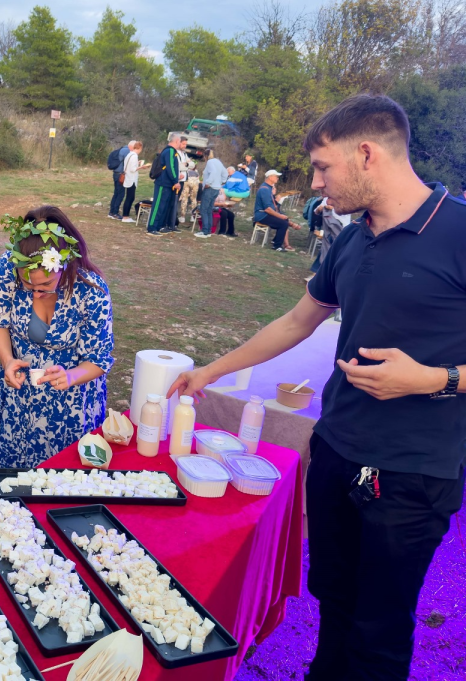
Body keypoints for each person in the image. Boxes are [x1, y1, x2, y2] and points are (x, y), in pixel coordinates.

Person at [169, 93, 466, 681]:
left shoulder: (458, 229)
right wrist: (211, 370)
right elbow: (295, 321)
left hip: (412, 473)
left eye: (323, 167)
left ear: (366, 154)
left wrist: (436, 378)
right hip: (335, 452)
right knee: (333, 601)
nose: (315, 182)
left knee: (378, 631)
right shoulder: (351, 240)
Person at [0, 206, 114, 467]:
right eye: (28, 285)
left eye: (45, 286)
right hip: (19, 399)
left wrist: (71, 376)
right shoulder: (10, 265)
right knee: (12, 483)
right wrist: (7, 360)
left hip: (71, 407)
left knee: (64, 483)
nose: (35, 293)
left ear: (64, 266)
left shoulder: (92, 291)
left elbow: (99, 359)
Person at [253, 169, 300, 251]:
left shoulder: (268, 188)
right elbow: (268, 209)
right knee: (283, 223)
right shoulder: (265, 189)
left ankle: (276, 241)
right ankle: (277, 246)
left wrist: (276, 200)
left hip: (265, 214)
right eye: (276, 176)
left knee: (284, 220)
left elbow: (272, 205)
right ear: (270, 177)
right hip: (262, 215)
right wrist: (280, 216)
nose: (277, 178)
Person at [146, 134, 181, 235]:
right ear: (177, 141)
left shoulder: (172, 151)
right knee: (158, 205)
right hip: (162, 182)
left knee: (164, 206)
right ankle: (152, 227)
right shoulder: (169, 151)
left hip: (168, 184)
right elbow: (170, 167)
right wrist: (176, 181)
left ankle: (159, 226)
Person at [196, 149, 228, 238]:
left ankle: (205, 231)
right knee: (209, 210)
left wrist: (208, 183)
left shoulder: (210, 162)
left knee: (203, 210)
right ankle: (209, 230)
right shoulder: (218, 162)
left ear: (205, 156)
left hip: (210, 188)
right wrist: (222, 182)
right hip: (216, 189)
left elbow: (213, 172)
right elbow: (225, 172)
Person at [118, 141, 145, 222]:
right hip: (131, 179)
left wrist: (137, 163)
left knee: (130, 197)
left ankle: (126, 215)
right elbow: (132, 169)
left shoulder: (130, 154)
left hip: (128, 178)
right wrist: (141, 167)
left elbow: (129, 165)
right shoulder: (134, 156)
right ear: (139, 148)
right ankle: (125, 216)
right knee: (130, 198)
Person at [107, 140, 133, 220]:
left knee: (116, 193)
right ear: (131, 146)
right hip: (120, 175)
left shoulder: (121, 149)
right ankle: (115, 213)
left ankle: (111, 212)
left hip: (115, 173)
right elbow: (128, 164)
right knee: (121, 194)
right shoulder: (127, 151)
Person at [172, 135, 193, 229]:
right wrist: (185, 166)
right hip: (176, 179)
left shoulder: (184, 154)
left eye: (186, 144)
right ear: (178, 142)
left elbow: (192, 165)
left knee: (178, 200)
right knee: (173, 200)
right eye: (183, 144)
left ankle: (174, 220)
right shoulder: (175, 152)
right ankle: (172, 220)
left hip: (183, 180)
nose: (185, 146)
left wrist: (187, 164)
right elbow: (178, 166)